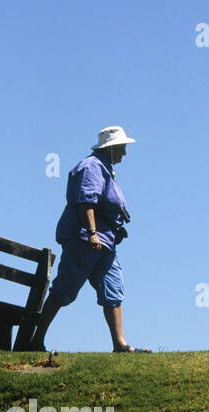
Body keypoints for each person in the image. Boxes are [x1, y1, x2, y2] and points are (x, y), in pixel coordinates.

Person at [30, 126, 148, 354]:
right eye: (122, 148)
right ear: (111, 148)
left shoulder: (105, 168)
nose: (124, 153)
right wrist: (93, 232)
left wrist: (113, 230)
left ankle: (119, 344)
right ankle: (35, 340)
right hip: (85, 242)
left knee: (113, 288)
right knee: (64, 289)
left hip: (106, 244)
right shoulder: (91, 167)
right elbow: (86, 202)